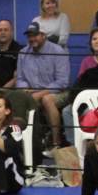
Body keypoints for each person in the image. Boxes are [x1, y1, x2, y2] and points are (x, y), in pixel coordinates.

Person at [16, 23, 69, 151]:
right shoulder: (23, 53)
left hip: (57, 92)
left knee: (47, 100)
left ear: (43, 35)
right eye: (29, 36)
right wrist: (24, 89)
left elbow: (62, 82)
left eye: (35, 35)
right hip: (32, 91)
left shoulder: (58, 51)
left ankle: (56, 143)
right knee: (16, 98)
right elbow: (20, 78)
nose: (32, 39)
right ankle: (22, 144)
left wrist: (40, 94)